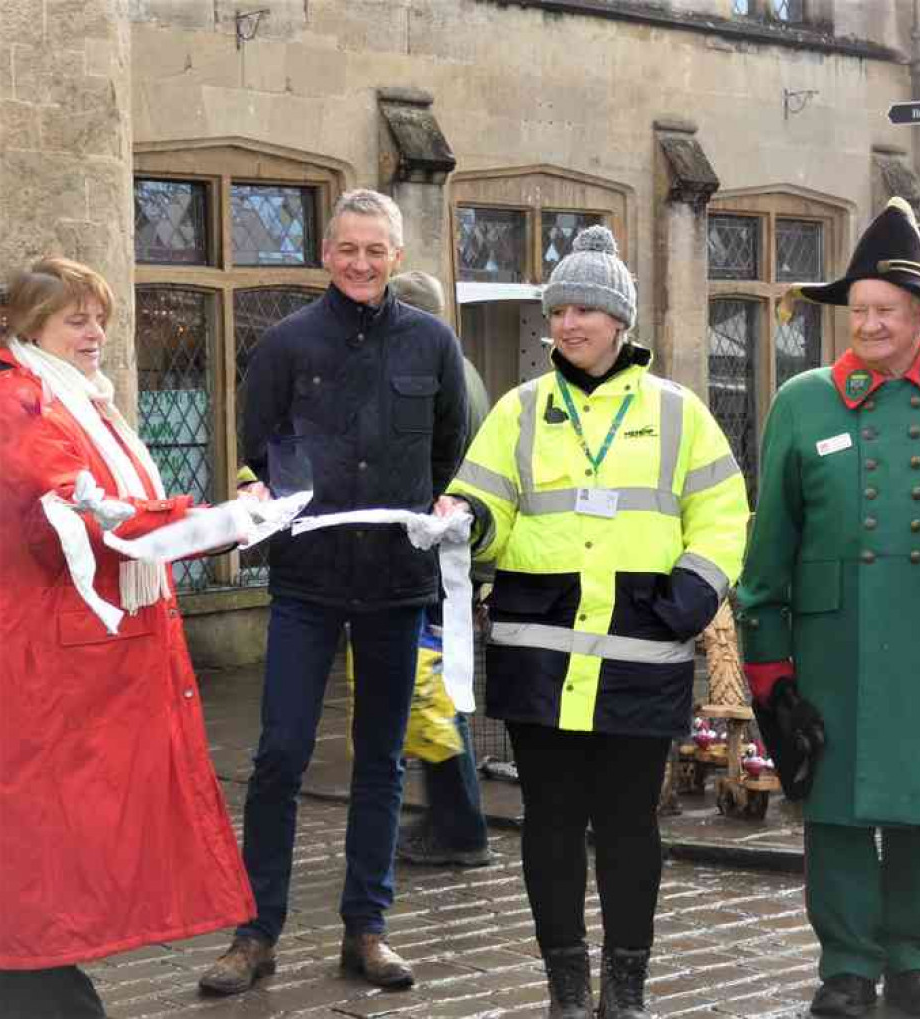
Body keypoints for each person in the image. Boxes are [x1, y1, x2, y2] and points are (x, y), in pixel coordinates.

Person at [438, 225, 749, 1018]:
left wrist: (691, 594)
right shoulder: (518, 411)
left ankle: (626, 983)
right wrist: (463, 522)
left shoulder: (677, 413)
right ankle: (567, 983)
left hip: (641, 657)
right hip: (537, 659)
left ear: (621, 321)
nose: (568, 323)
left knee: (627, 827)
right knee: (548, 825)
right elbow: (487, 506)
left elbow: (723, 514)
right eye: (559, 310)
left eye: (585, 309)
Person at [199, 189, 468, 995]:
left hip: (394, 580)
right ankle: (256, 932)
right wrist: (256, 492)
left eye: (375, 250)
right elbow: (255, 447)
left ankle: (367, 926)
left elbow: (452, 448)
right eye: (347, 248)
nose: (360, 262)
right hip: (307, 584)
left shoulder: (432, 344)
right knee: (279, 752)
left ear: (396, 256)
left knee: (382, 760)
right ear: (326, 254)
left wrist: (449, 505)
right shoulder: (284, 343)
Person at [736, 197, 920, 1018]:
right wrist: (769, 666)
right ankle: (847, 964)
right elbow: (768, 545)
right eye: (860, 310)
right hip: (832, 637)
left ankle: (915, 960)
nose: (870, 324)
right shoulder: (803, 401)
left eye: (886, 310)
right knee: (838, 804)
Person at [0, 257, 255, 1019]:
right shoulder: (23, 401)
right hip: (47, 667)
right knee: (43, 853)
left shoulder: (66, 397)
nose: (95, 332)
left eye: (99, 316)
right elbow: (72, 516)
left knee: (52, 854)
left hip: (69, 662)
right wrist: (206, 525)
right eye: (77, 317)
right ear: (30, 325)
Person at [389, 268, 493, 868]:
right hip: (449, 556)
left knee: (432, 685)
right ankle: (452, 818)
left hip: (432, 554)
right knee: (434, 684)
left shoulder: (428, 372)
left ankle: (459, 826)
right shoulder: (462, 367)